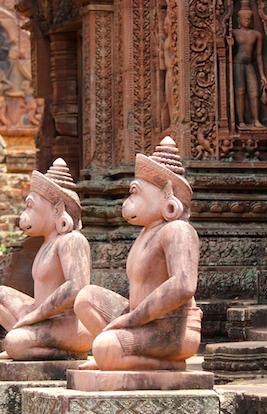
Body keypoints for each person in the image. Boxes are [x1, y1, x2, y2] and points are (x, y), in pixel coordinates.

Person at [74, 137, 202, 370]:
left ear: (167, 196)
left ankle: (138, 360)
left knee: (103, 346)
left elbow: (183, 285)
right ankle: (116, 356)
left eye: (135, 192)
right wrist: (131, 319)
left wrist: (131, 320)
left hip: (172, 329)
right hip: (143, 322)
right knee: (86, 298)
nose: (128, 201)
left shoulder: (178, 230)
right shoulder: (146, 233)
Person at [0, 158, 93, 360]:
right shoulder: (47, 243)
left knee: (15, 342)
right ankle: (32, 342)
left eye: (31, 206)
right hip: (45, 319)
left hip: (68, 325)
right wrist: (36, 315)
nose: (25, 214)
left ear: (57, 208)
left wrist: (35, 316)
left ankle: (60, 351)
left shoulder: (72, 240)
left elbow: (77, 288)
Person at [227, 0, 267, 130]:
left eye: (249, 19)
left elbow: (259, 56)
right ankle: (241, 121)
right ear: (238, 20)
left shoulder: (256, 34)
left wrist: (262, 75)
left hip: (249, 64)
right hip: (238, 64)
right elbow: (228, 52)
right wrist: (229, 44)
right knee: (240, 92)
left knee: (254, 92)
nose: (247, 21)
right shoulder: (234, 33)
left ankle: (256, 119)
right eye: (244, 19)